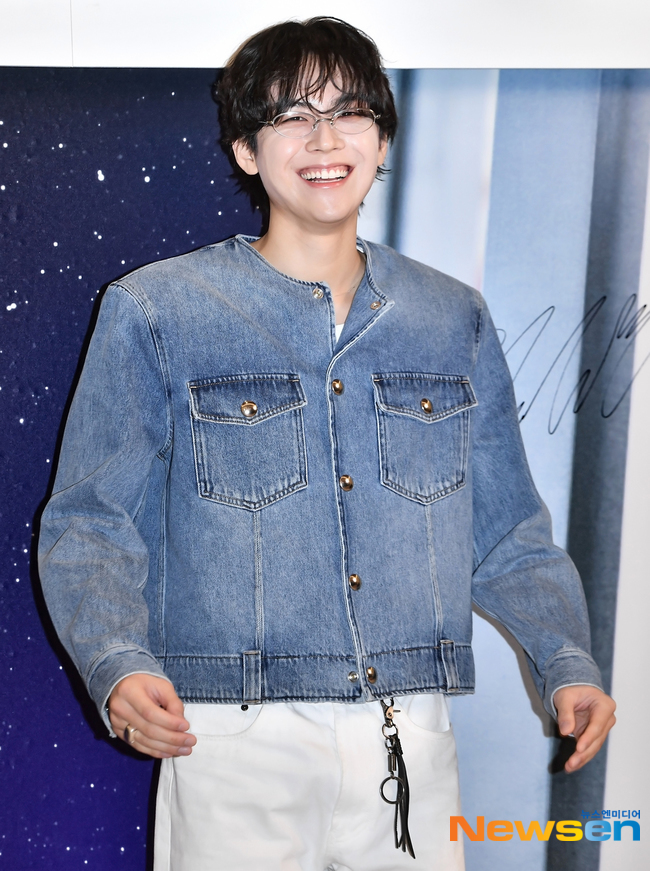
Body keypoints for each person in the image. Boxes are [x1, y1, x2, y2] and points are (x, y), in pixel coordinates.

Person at [38, 16, 616, 871]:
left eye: (349, 112)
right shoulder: (157, 309)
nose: (323, 139)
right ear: (246, 149)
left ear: (381, 139)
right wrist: (117, 664)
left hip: (411, 733)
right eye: (291, 116)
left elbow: (507, 529)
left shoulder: (452, 316)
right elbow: (91, 519)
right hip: (232, 736)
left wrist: (567, 661)